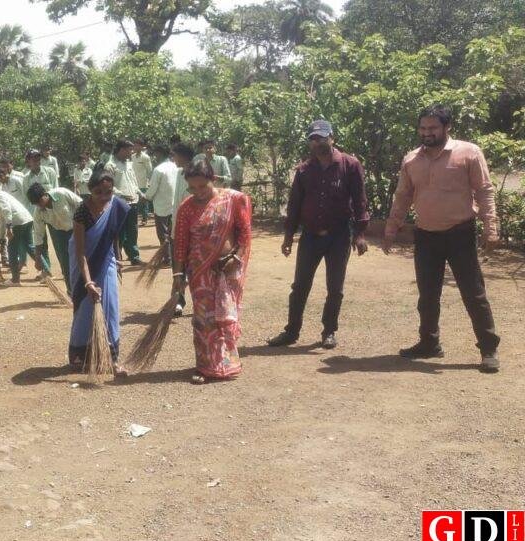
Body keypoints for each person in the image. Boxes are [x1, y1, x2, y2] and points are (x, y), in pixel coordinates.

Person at [382, 104, 501, 373]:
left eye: (433, 128)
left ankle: (488, 347)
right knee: (427, 295)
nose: (427, 133)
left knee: (474, 293)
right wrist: (391, 228)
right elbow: (403, 196)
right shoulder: (411, 159)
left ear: (447, 127)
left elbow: (484, 190)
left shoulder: (468, 153)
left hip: (460, 233)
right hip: (425, 236)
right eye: (423, 128)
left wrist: (490, 226)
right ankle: (429, 343)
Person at [267, 120, 369, 350]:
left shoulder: (350, 165)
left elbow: (360, 201)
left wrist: (360, 234)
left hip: (339, 236)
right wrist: (288, 237)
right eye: (313, 139)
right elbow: (294, 205)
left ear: (332, 137)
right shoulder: (304, 170)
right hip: (311, 236)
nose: (318, 143)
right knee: (300, 286)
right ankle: (291, 331)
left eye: (322, 138)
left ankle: (329, 331)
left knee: (335, 288)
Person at [173, 161, 252, 382]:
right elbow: (180, 244)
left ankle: (228, 363)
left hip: (228, 270)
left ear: (213, 180)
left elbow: (244, 234)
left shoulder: (234, 200)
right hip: (200, 273)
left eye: (203, 187)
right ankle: (207, 366)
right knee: (204, 319)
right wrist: (178, 277)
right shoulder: (186, 208)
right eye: (192, 188)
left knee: (225, 315)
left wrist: (234, 258)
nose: (197, 192)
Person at [69, 170, 130, 377]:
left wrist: (116, 255)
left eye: (108, 192)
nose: (104, 197)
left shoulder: (117, 206)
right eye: (98, 192)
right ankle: (80, 355)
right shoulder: (81, 213)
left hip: (107, 260)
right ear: (89, 191)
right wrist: (87, 282)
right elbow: (81, 252)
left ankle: (112, 358)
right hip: (83, 263)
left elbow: (113, 234)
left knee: (110, 306)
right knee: (85, 306)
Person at [0, 181, 38, 286]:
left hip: (17, 222)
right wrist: (0, 240)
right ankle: (47, 272)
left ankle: (15, 280)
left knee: (12, 250)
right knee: (29, 247)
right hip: (26, 219)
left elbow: (7, 211)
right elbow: (3, 218)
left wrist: (9, 228)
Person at [28, 183, 82, 292]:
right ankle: (71, 292)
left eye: (40, 202)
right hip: (59, 234)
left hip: (78, 229)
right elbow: (38, 235)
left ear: (45, 195)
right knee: (65, 263)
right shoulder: (38, 212)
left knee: (82, 259)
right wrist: (38, 258)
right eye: (36, 204)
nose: (39, 205)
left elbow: (81, 205)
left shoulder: (61, 193)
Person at [105, 139, 143, 265]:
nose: (131, 153)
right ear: (121, 149)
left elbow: (133, 182)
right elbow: (108, 185)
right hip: (118, 203)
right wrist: (122, 195)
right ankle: (117, 257)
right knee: (119, 232)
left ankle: (134, 256)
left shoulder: (129, 164)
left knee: (133, 230)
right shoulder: (110, 165)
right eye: (129, 150)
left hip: (133, 202)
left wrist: (139, 192)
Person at [169, 143, 196, 316]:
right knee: (178, 266)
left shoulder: (195, 172)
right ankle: (178, 300)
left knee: (195, 266)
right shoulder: (179, 173)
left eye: (175, 155)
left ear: (183, 156)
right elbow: (177, 201)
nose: (173, 158)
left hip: (193, 227)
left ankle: (201, 300)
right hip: (178, 225)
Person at [145, 144, 179, 263]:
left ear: (159, 153)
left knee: (163, 234)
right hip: (175, 205)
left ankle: (168, 258)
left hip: (161, 207)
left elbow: (152, 188)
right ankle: (174, 257)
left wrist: (146, 197)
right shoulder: (176, 166)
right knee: (174, 232)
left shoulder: (158, 169)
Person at [132, 139, 154, 225]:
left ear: (141, 147)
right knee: (135, 201)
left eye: (138, 145)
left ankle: (144, 218)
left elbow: (149, 170)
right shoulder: (132, 157)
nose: (136, 147)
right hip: (134, 183)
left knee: (143, 201)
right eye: (135, 145)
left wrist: (150, 182)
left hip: (143, 183)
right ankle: (136, 218)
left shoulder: (145, 157)